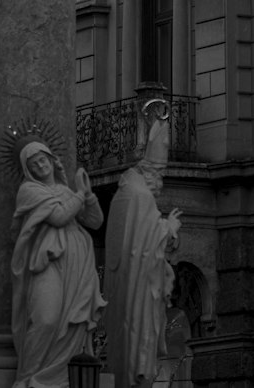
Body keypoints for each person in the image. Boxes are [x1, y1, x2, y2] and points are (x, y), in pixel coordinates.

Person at [10, 138, 104, 388]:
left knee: (74, 321)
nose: (40, 166)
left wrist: (89, 194)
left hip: (78, 262)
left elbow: (95, 222)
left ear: (52, 160)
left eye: (43, 159)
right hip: (47, 259)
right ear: (28, 170)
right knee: (46, 318)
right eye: (34, 164)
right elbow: (60, 217)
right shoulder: (29, 191)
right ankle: (28, 377)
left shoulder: (66, 191)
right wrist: (80, 194)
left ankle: (63, 378)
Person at [104, 119, 182, 388]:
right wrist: (169, 229)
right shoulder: (140, 196)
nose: (160, 184)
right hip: (138, 292)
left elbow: (136, 239)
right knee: (141, 349)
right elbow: (143, 245)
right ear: (149, 172)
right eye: (159, 175)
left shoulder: (125, 194)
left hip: (127, 289)